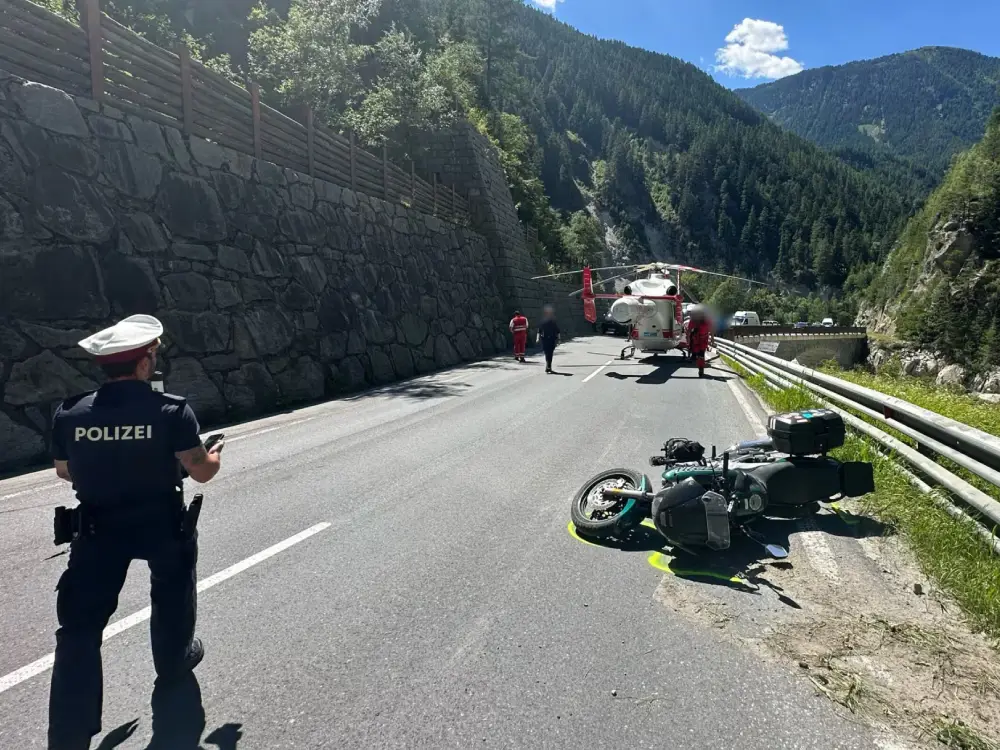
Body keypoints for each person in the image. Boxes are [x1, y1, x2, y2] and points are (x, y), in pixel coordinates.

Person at [47, 314, 224, 750]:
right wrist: (216, 453)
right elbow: (200, 472)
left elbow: (64, 472)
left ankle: (69, 736)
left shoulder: (70, 412)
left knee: (79, 629)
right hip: (160, 523)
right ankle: (173, 661)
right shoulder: (171, 410)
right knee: (171, 590)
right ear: (145, 362)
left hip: (96, 529)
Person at [686, 305, 713, 377]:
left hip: (703, 339)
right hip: (696, 339)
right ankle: (700, 367)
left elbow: (711, 330)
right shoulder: (693, 320)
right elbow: (688, 331)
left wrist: (712, 339)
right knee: (699, 355)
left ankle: (701, 368)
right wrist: (688, 339)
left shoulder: (707, 320)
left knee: (701, 354)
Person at [538, 305, 561, 373]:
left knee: (549, 353)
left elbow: (558, 331)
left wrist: (559, 339)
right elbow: (539, 331)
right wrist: (537, 338)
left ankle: (548, 365)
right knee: (548, 353)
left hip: (551, 340)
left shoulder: (553, 322)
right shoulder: (544, 322)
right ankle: (548, 365)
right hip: (546, 340)